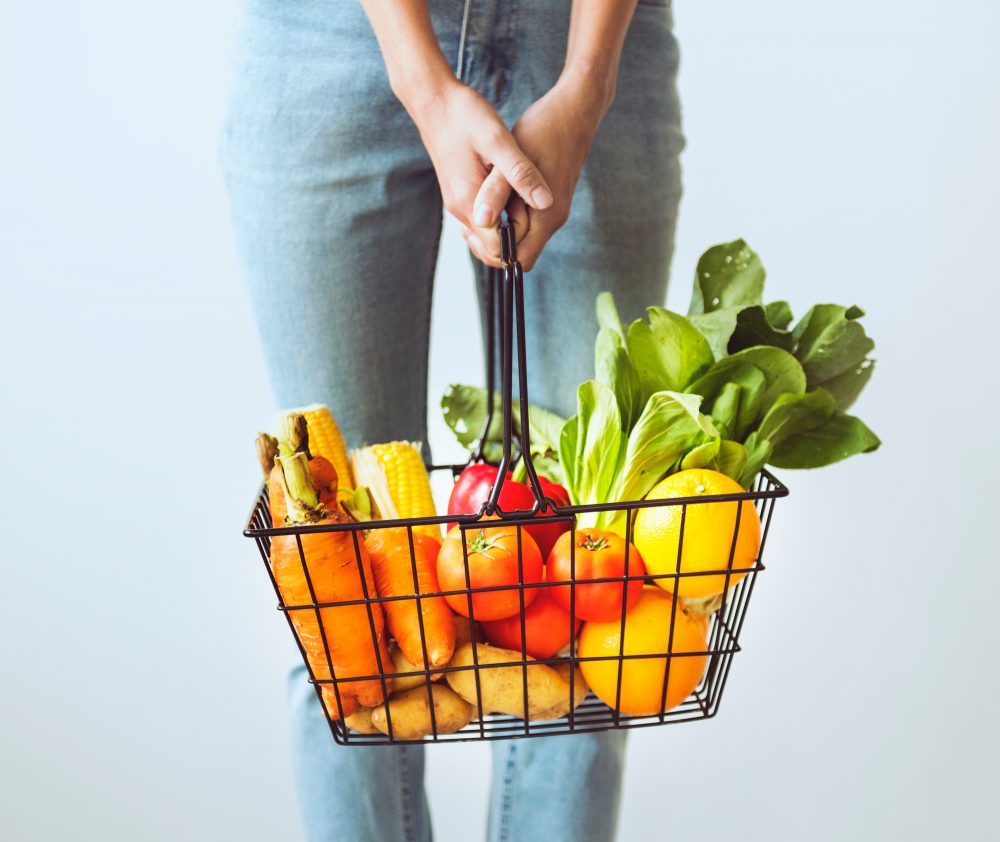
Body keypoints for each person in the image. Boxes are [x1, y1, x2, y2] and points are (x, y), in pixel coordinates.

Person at [222, 1, 682, 839]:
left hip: (586, 35)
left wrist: (587, 81)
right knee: (340, 604)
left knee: (598, 597)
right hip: (332, 37)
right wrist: (420, 79)